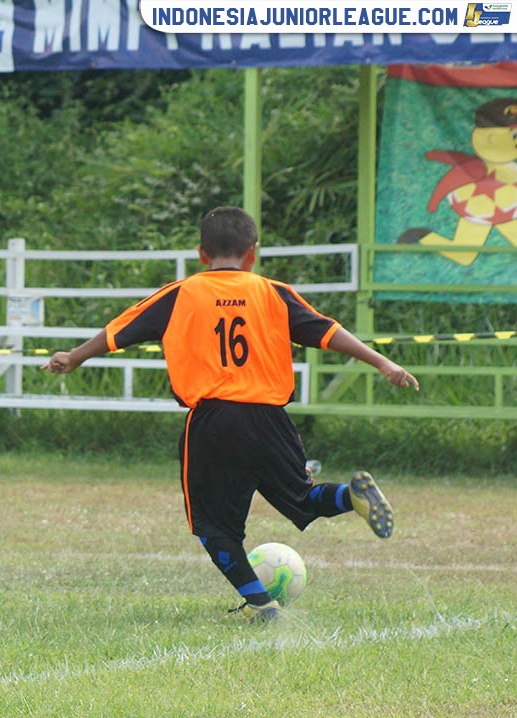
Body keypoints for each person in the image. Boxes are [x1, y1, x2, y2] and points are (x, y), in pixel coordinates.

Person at [41, 206, 419, 622]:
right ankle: (352, 496)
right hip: (270, 419)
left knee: (214, 528)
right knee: (305, 498)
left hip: (214, 422)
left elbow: (119, 332)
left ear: (201, 253)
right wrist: (382, 362)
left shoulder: (181, 294)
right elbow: (327, 331)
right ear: (252, 253)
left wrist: (74, 357)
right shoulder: (273, 292)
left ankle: (263, 605)